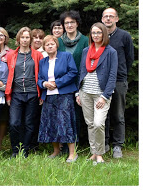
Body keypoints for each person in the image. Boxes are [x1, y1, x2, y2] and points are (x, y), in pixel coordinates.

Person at [77, 23, 118, 164]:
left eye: (98, 33)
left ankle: (99, 153)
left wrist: (105, 96)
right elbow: (81, 72)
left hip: (101, 94)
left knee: (98, 123)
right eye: (93, 33)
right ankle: (94, 153)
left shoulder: (110, 52)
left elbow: (113, 76)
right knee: (90, 124)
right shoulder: (86, 51)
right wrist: (78, 93)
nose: (95, 35)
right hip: (85, 92)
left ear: (103, 34)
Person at [37, 35, 79, 162]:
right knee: (51, 123)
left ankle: (72, 153)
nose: (50, 46)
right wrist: (44, 84)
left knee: (66, 122)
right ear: (44, 47)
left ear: (56, 45)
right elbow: (39, 78)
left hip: (64, 94)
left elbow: (73, 72)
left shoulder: (66, 56)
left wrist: (57, 83)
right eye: (47, 44)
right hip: (48, 96)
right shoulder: (42, 61)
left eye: (52, 44)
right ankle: (56, 151)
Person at [5, 27, 43, 158]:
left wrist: (41, 94)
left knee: (29, 123)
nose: (25, 40)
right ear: (18, 39)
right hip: (16, 93)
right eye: (22, 37)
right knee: (14, 123)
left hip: (33, 92)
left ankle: (25, 150)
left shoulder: (37, 55)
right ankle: (15, 150)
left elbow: (41, 74)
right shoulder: (12, 55)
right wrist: (8, 95)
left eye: (27, 37)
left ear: (30, 39)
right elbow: (9, 76)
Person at [101, 8, 134, 159]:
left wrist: (122, 73)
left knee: (118, 114)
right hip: (102, 81)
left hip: (119, 80)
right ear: (102, 19)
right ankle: (105, 143)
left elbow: (129, 58)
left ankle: (118, 146)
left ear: (117, 19)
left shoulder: (124, 36)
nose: (108, 19)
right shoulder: (99, 35)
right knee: (103, 115)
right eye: (105, 16)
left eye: (111, 16)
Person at [58, 10, 89, 149]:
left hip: (79, 82)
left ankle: (75, 145)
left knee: (76, 115)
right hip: (62, 83)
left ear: (77, 23)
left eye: (72, 22)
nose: (69, 25)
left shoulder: (85, 41)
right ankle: (64, 145)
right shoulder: (58, 41)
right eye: (66, 23)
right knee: (62, 114)